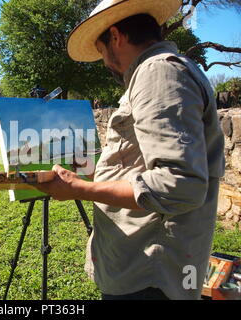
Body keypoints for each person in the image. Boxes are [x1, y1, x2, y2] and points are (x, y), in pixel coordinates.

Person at [36, 0, 225, 300]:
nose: (105, 61)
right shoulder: (157, 73)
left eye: (101, 51)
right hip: (142, 265)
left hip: (148, 274)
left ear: (116, 36)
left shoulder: (159, 73)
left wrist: (79, 189)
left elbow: (180, 186)